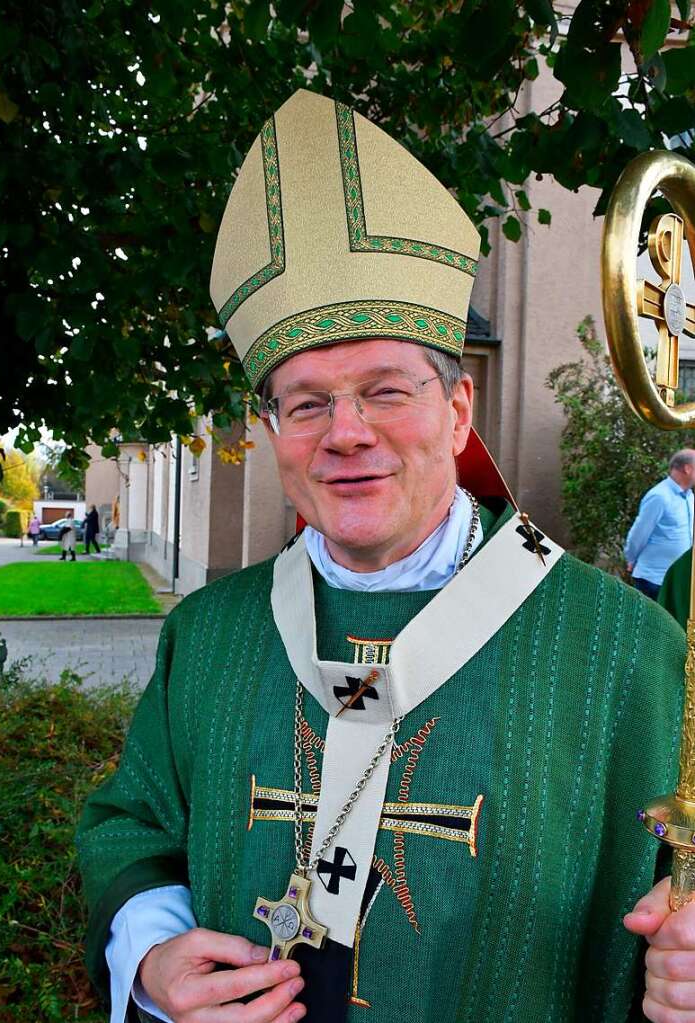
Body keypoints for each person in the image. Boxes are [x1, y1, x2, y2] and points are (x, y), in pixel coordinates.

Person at [76, 90, 691, 1023]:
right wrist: (152, 954)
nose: (346, 433)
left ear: (456, 414)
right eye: (306, 402)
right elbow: (132, 826)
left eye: (385, 390)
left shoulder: (625, 652)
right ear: (274, 432)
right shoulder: (207, 635)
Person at [623, 450, 695, 600]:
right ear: (687, 469)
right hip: (653, 579)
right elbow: (639, 534)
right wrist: (631, 558)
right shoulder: (659, 496)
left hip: (677, 579)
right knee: (650, 623)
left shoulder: (689, 496)